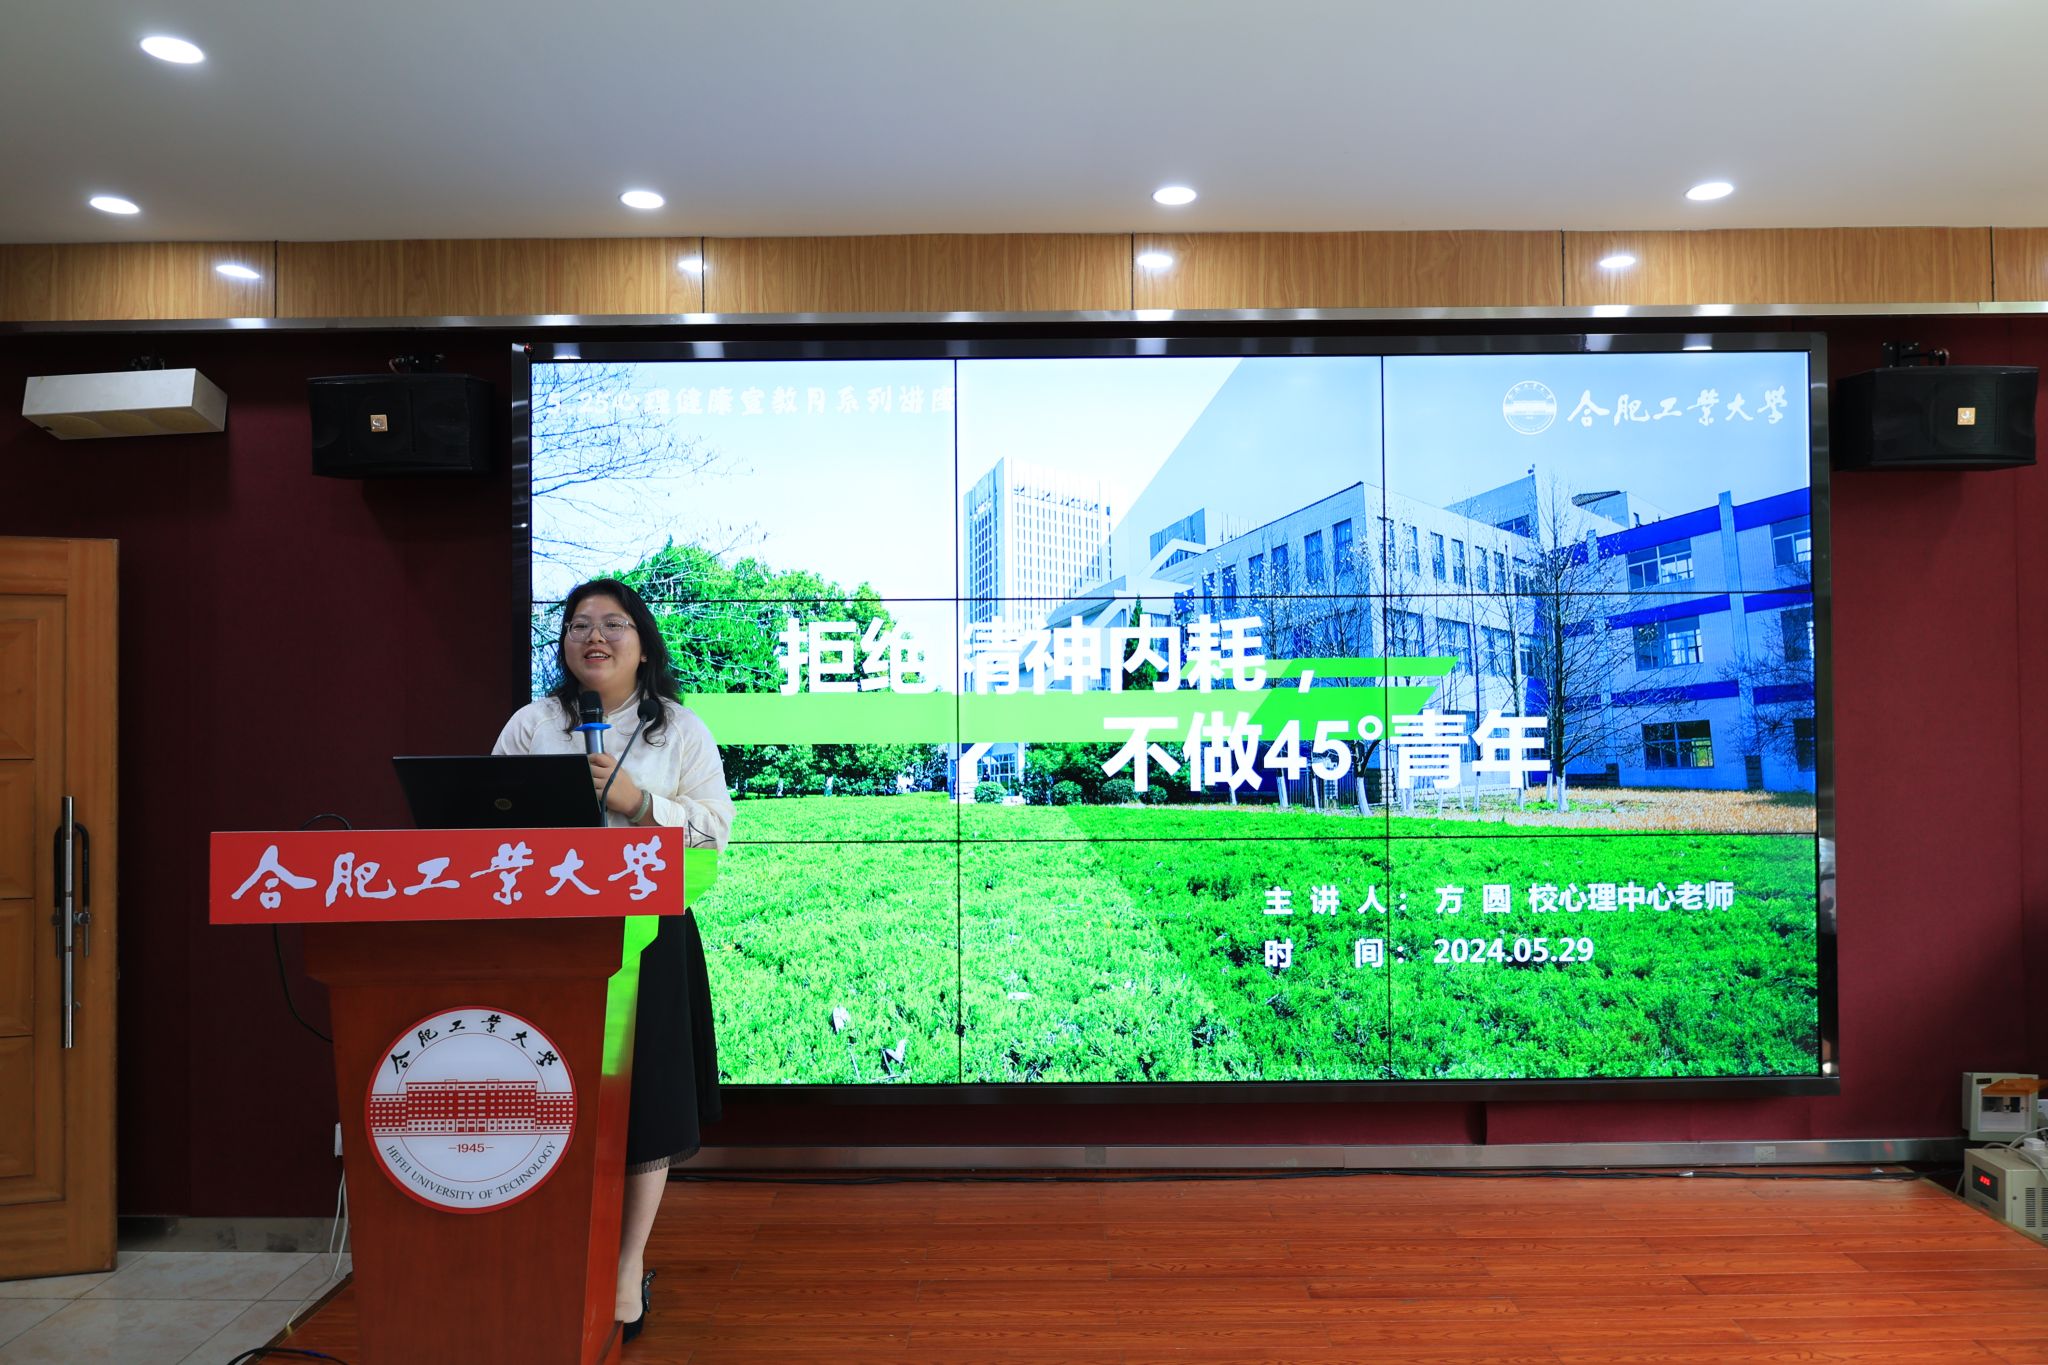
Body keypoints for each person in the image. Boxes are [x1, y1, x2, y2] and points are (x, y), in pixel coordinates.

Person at [493, 577, 733, 1345]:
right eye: (578, 625)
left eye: (612, 624)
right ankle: (553, 1259)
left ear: (644, 643)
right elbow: (481, 821)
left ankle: (626, 1270)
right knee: (549, 1095)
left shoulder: (681, 730)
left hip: (648, 938)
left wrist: (640, 803)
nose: (593, 636)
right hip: (544, 940)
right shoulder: (533, 725)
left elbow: (716, 830)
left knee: (646, 1105)